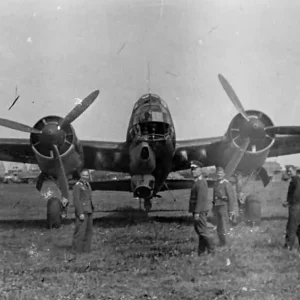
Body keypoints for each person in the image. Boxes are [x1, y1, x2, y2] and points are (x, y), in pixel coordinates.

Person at [188, 160, 215, 255]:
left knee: (202, 231)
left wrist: (197, 212)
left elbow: (200, 199)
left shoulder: (201, 183)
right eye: (191, 169)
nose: (192, 171)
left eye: (195, 169)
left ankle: (212, 251)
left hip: (200, 211)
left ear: (200, 170)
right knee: (200, 231)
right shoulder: (197, 182)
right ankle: (201, 251)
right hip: (199, 210)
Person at [72, 169, 94, 253]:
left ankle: (86, 249)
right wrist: (80, 213)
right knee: (80, 231)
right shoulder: (77, 185)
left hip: (89, 210)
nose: (85, 177)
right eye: (84, 175)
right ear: (80, 176)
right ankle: (76, 250)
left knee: (88, 231)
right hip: (83, 211)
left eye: (87, 175)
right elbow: (76, 200)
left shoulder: (87, 185)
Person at [212, 167, 236, 246]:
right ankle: (221, 242)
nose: (219, 175)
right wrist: (213, 208)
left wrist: (231, 210)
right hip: (217, 207)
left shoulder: (226, 184)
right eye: (218, 174)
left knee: (225, 225)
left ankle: (227, 243)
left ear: (224, 174)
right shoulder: (216, 184)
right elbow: (214, 197)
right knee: (219, 226)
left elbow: (231, 198)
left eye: (221, 173)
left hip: (224, 207)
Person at [284, 167, 300, 250]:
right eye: (287, 171)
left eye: (290, 171)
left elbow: (297, 193)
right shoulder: (297, 180)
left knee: (291, 227)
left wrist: (290, 201)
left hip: (295, 206)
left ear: (294, 171)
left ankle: (288, 246)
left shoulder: (295, 180)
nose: (288, 173)